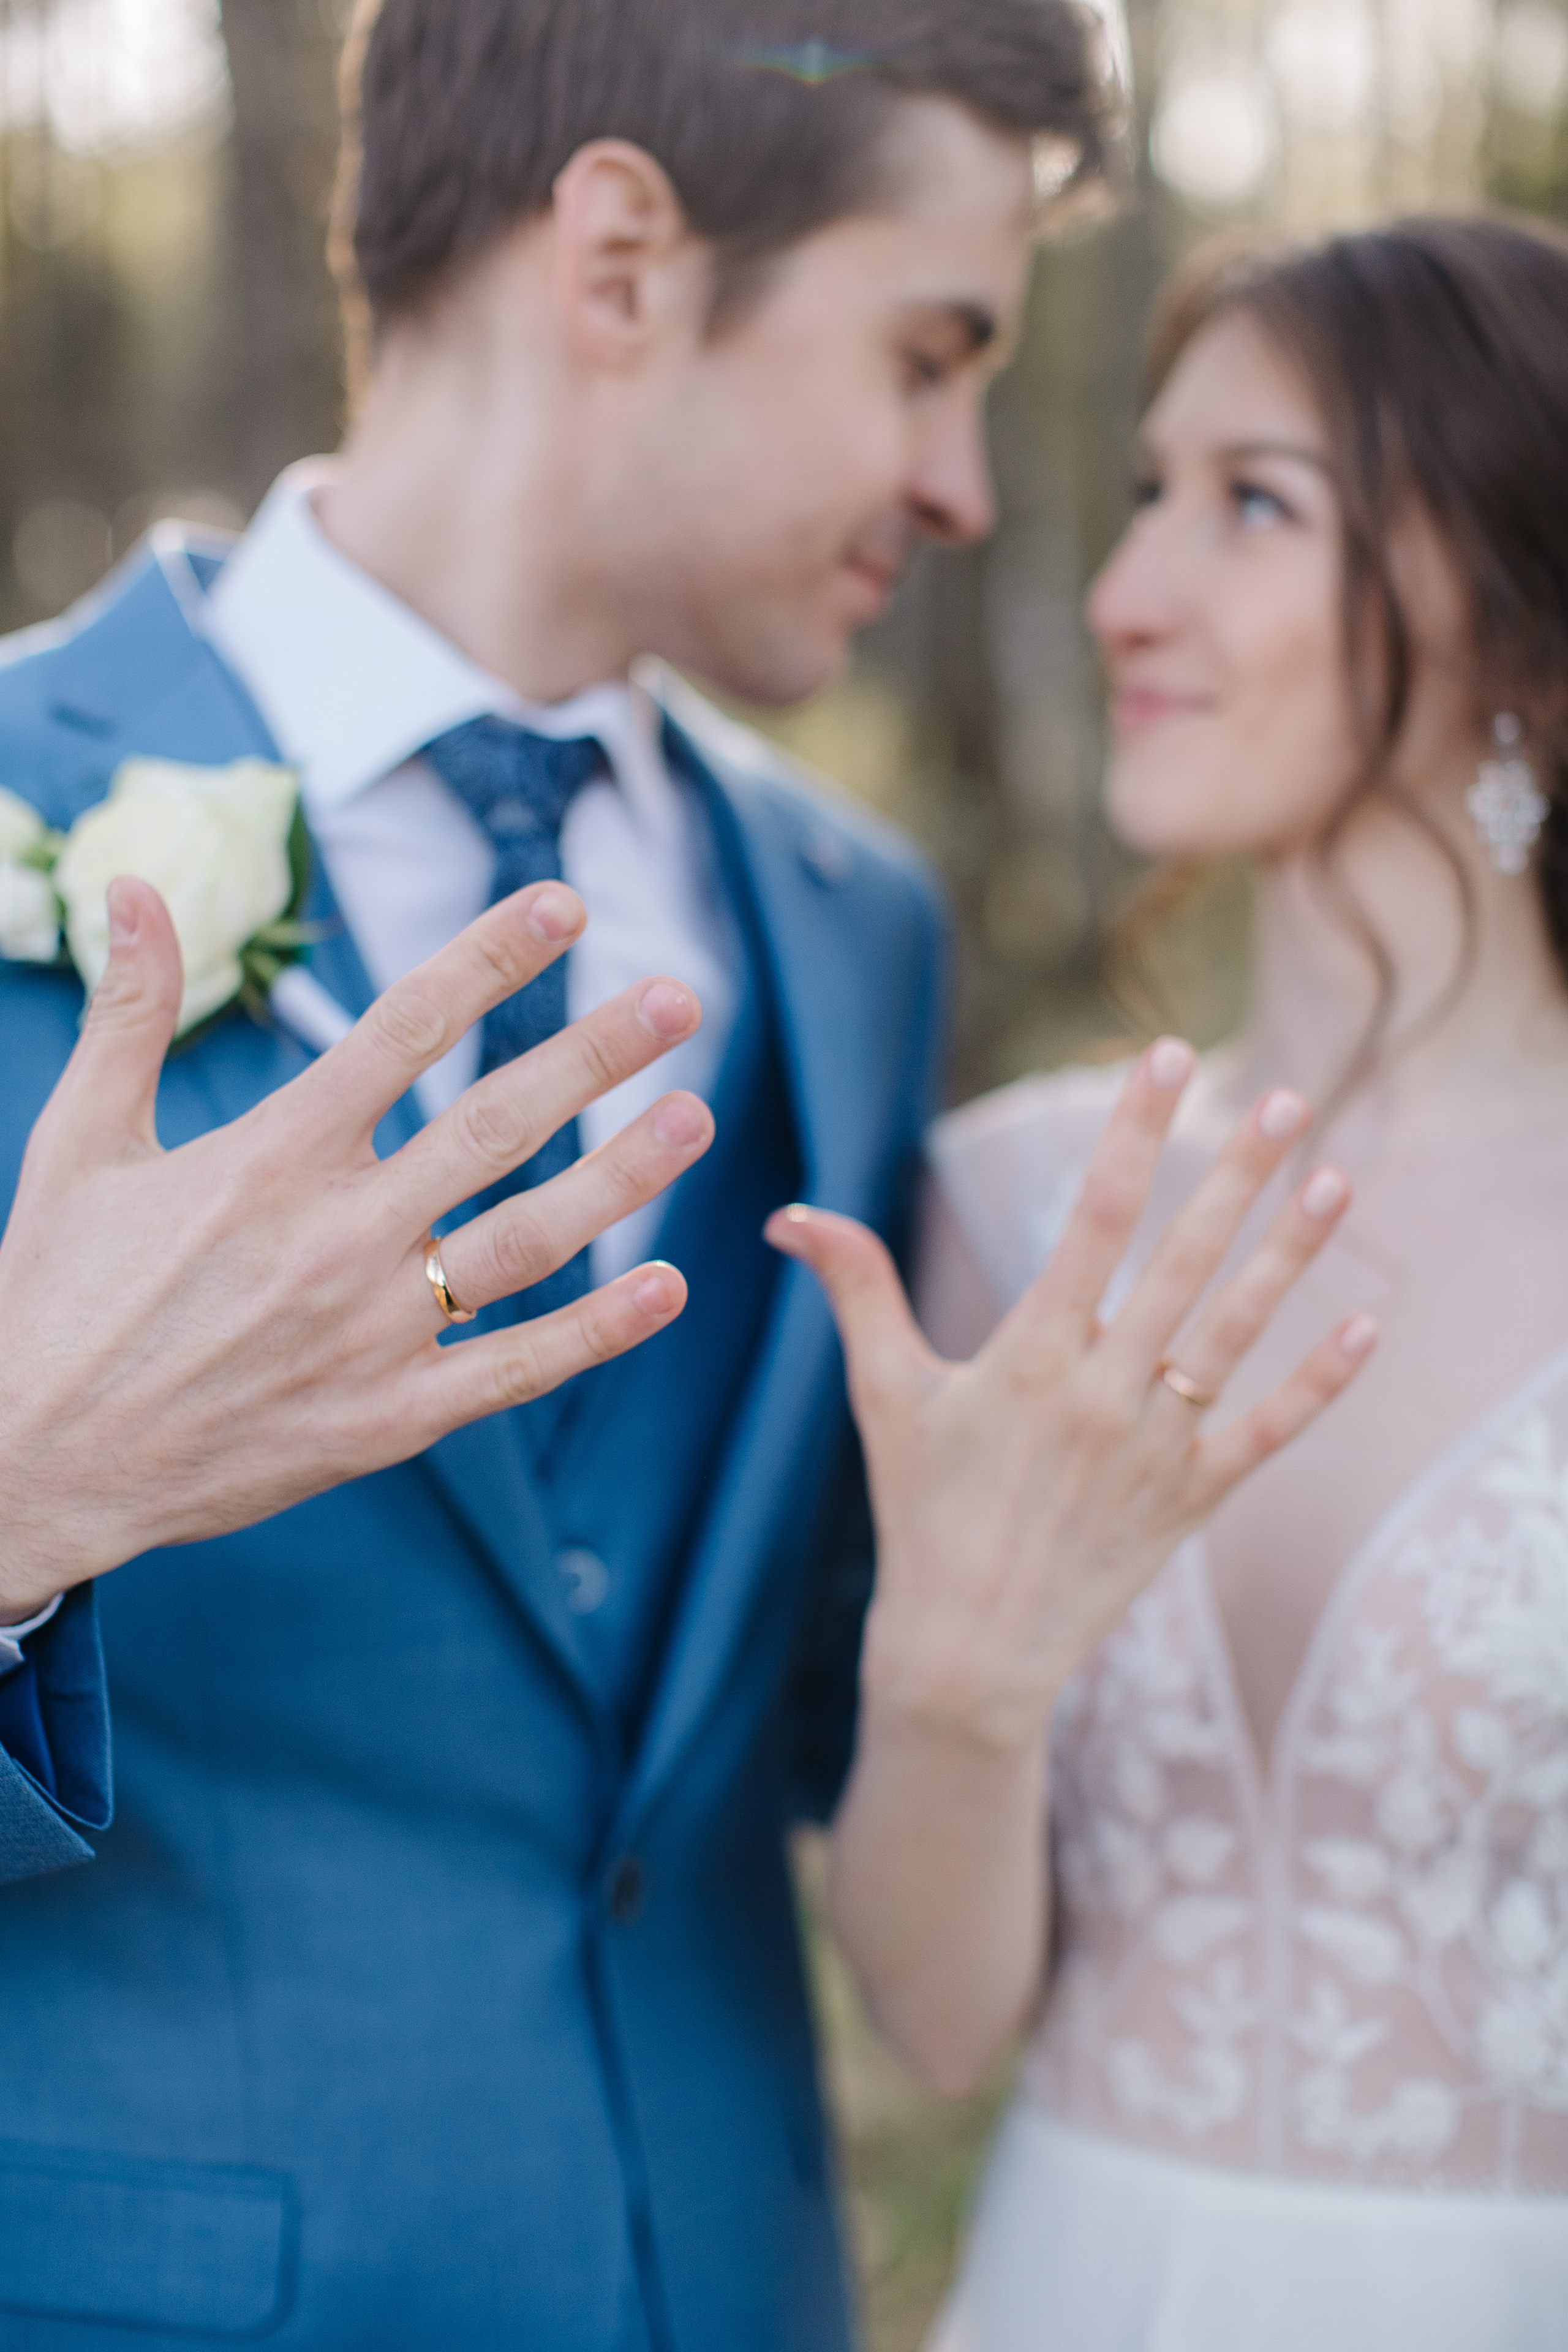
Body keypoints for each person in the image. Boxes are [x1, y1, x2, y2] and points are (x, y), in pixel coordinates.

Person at [0, 4, 1365, 2345]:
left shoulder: (858, 928)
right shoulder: (17, 793)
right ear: (622, 260)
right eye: (929, 354)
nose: (966, 483)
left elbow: (826, 1735)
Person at [783, 215, 1568, 2351]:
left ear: (1515, 621)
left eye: (1252, 506)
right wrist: (959, 1673)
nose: (1129, 594)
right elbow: (940, 2024)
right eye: (1146, 499)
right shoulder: (1017, 1202)